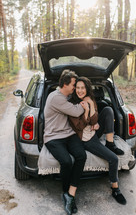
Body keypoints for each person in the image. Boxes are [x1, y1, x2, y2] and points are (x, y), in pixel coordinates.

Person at [69, 77, 127, 205]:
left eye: (82, 88)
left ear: (87, 89)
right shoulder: (72, 104)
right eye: (77, 88)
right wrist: (87, 111)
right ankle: (115, 189)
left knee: (107, 110)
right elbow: (79, 127)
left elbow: (94, 120)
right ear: (74, 89)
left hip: (92, 132)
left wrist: (90, 105)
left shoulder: (90, 98)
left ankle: (110, 143)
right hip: (85, 139)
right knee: (114, 159)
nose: (80, 91)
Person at [43, 70, 87, 215]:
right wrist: (87, 103)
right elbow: (75, 112)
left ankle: (71, 193)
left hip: (68, 134)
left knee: (81, 156)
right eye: (74, 85)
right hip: (53, 137)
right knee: (67, 162)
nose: (75, 88)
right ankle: (65, 193)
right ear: (65, 84)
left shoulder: (65, 96)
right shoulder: (56, 98)